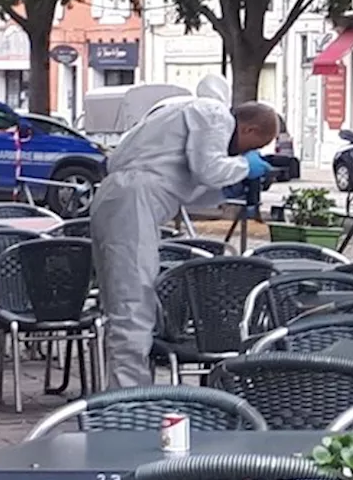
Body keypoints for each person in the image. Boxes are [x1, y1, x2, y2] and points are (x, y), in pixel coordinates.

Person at [90, 74, 280, 388]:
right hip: (132, 203)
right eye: (253, 146)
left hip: (122, 200)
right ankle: (128, 398)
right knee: (133, 302)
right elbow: (209, 168)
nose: (245, 153)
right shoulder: (213, 114)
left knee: (125, 302)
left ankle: (125, 390)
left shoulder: (185, 117)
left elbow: (189, 184)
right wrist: (247, 168)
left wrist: (230, 187)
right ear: (248, 129)